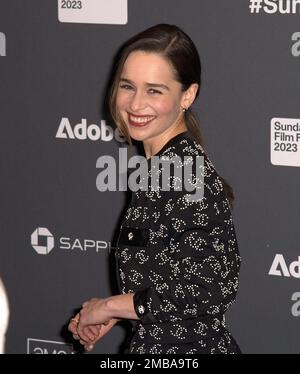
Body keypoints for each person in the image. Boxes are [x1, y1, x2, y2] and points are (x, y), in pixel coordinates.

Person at [68, 24, 241, 354]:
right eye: (127, 86)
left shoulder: (187, 177)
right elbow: (167, 276)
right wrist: (120, 308)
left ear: (187, 96)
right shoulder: (161, 169)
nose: (135, 104)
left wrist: (108, 308)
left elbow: (207, 291)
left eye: (154, 91)